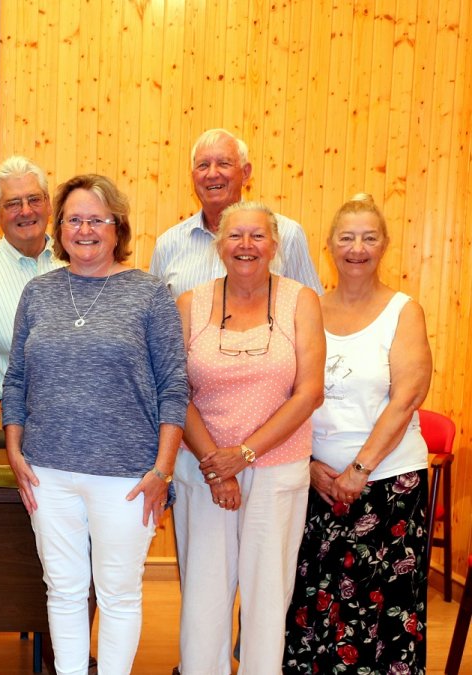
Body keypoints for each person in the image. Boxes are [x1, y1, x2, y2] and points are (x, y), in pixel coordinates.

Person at [2, 174, 188, 674]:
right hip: (47, 473)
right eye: (74, 220)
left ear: (117, 227)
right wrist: (15, 451)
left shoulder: (149, 293)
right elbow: (16, 379)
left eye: (96, 220)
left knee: (118, 593)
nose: (84, 230)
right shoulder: (38, 293)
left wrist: (163, 470)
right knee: (63, 590)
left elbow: (174, 385)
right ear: (60, 228)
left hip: (128, 477)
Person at [172, 201, 325, 674]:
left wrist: (243, 455)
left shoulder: (301, 300)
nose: (246, 245)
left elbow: (310, 392)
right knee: (203, 596)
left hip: (277, 468)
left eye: (257, 236)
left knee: (267, 596)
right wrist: (217, 466)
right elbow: (174, 391)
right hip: (203, 470)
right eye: (235, 235)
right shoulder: (190, 303)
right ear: (219, 245)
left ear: (274, 245)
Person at [283, 194, 431, 673]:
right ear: (329, 246)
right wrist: (309, 466)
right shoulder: (308, 309)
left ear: (384, 244)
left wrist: (359, 469)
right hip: (316, 485)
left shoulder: (404, 311)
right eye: (347, 238)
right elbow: (287, 396)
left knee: (382, 612)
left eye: (369, 238)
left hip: (388, 485)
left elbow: (406, 398)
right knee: (314, 606)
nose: (357, 248)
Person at [150, 128, 322, 297]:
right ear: (193, 176)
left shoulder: (287, 234)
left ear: (245, 173)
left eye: (223, 164)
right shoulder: (168, 245)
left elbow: (313, 307)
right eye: (203, 165)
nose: (212, 174)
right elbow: (151, 314)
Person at [0, 156, 65, 397]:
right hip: (18, 412)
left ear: (48, 204)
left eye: (34, 199)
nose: (26, 211)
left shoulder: (76, 262)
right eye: (13, 203)